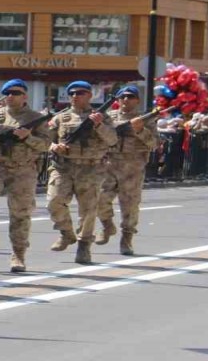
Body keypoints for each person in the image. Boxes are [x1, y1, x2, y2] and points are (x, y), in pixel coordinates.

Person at [0, 79, 50, 272]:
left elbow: (45, 145)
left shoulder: (36, 118)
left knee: (21, 212)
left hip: (23, 169)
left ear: (24, 96)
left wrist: (28, 137)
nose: (11, 96)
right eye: (7, 92)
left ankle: (18, 255)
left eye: (16, 92)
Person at [45, 81, 118, 264]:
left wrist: (99, 125)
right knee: (54, 201)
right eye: (73, 93)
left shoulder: (102, 117)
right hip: (64, 166)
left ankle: (84, 245)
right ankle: (66, 232)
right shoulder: (60, 118)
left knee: (87, 209)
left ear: (89, 95)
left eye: (81, 92)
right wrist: (54, 146)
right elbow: (44, 140)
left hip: (91, 168)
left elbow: (112, 140)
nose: (76, 96)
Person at [97, 85, 158, 256]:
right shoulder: (108, 118)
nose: (126, 100)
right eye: (122, 97)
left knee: (129, 206)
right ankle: (107, 225)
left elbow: (154, 144)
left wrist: (140, 130)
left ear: (137, 100)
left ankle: (127, 238)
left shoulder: (146, 119)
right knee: (99, 199)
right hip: (109, 165)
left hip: (133, 168)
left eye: (130, 97)